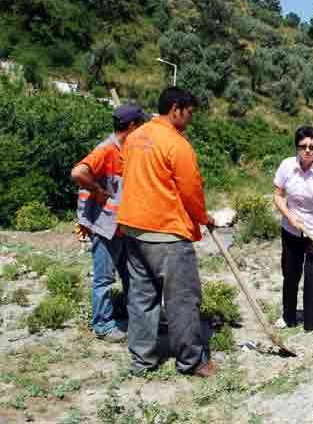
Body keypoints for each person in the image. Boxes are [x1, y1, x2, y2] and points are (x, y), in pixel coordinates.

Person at [117, 87, 216, 378]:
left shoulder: (134, 138)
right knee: (182, 300)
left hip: (134, 230)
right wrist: (204, 218)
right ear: (176, 109)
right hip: (167, 234)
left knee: (141, 298)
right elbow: (191, 191)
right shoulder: (177, 144)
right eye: (189, 113)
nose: (190, 119)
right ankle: (192, 362)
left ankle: (142, 361)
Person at [71, 103, 149, 342]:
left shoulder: (128, 150)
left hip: (123, 227)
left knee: (132, 276)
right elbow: (77, 173)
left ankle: (135, 318)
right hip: (104, 227)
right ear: (133, 126)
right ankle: (102, 325)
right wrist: (97, 190)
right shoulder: (106, 150)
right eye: (142, 124)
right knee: (104, 278)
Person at [273, 126, 313, 331]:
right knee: (291, 274)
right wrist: (289, 216)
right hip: (291, 229)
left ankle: (311, 322)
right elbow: (278, 195)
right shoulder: (286, 166)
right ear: (297, 147)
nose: (308, 150)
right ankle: (289, 316)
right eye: (303, 146)